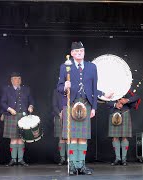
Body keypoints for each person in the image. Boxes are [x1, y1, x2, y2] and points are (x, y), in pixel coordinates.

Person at [57, 41, 97, 175]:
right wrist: (65, 86)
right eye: (76, 52)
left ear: (84, 52)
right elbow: (59, 87)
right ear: (72, 53)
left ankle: (82, 165)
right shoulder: (65, 67)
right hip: (71, 103)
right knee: (73, 137)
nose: (79, 53)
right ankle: (73, 166)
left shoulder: (92, 67)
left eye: (81, 51)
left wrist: (94, 107)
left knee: (83, 137)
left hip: (86, 104)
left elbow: (94, 88)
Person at [0, 72, 34, 167]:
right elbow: (2, 102)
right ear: (11, 80)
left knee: (21, 139)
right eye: (15, 79)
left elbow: (31, 100)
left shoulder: (26, 89)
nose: (17, 80)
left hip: (23, 116)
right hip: (11, 116)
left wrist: (31, 106)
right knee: (14, 139)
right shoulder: (7, 90)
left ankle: (21, 159)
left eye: (19, 78)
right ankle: (13, 159)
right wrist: (9, 109)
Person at [107, 89, 140, 166]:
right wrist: (115, 104)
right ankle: (117, 158)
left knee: (125, 137)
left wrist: (126, 100)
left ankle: (124, 159)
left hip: (125, 113)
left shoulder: (126, 87)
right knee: (115, 137)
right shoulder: (109, 87)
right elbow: (106, 101)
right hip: (114, 114)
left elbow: (137, 96)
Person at [52, 89, 67, 166]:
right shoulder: (56, 91)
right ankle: (62, 158)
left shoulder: (71, 89)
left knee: (69, 138)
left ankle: (69, 159)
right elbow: (54, 105)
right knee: (61, 138)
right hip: (59, 115)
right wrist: (59, 113)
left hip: (70, 116)